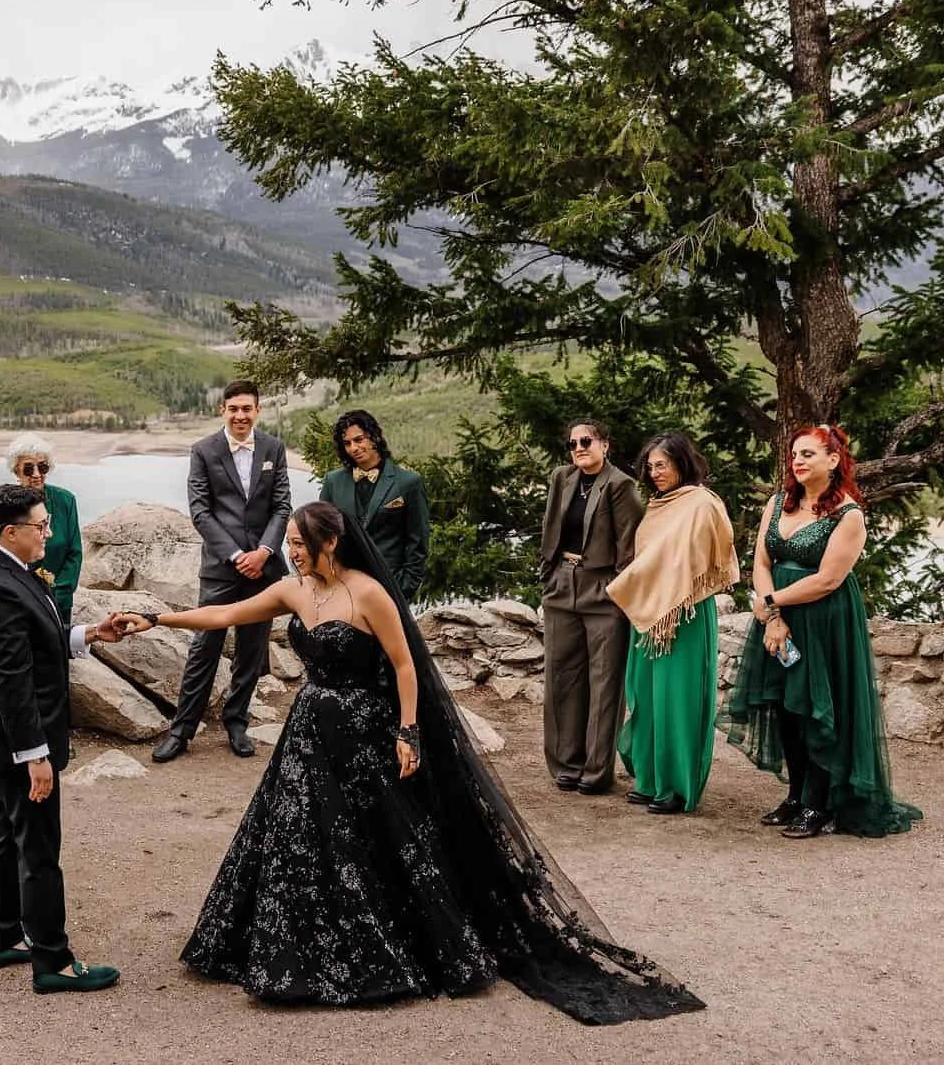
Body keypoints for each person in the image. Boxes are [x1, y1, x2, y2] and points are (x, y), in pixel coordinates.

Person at [112, 503, 702, 1022]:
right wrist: (157, 619)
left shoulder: (368, 593)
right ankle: (285, 952)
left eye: (297, 543)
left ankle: (385, 952)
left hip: (365, 733)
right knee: (293, 835)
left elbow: (404, 666)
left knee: (373, 842)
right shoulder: (295, 590)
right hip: (309, 731)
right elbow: (226, 615)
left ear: (329, 542)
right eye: (288, 543)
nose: (290, 552)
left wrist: (408, 731)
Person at [0, 483, 133, 994]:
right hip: (14, 734)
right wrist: (34, 755)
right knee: (38, 845)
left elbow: (36, 636)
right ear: (11, 532)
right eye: (41, 525)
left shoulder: (1, 568)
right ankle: (53, 962)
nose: (49, 532)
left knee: (7, 831)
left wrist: (88, 634)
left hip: (0, 732)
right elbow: (12, 680)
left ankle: (4, 937)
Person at [724, 424, 922, 839]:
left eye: (808, 454)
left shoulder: (848, 515)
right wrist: (771, 616)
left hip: (823, 621)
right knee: (784, 706)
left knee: (813, 707)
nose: (797, 461)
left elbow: (828, 579)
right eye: (795, 454)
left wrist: (773, 604)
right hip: (778, 619)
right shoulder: (778, 503)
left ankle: (820, 804)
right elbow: (760, 564)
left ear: (833, 461)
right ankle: (796, 795)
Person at [153, 379, 292, 763]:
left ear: (257, 411)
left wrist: (264, 552)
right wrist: (235, 555)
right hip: (220, 567)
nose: (241, 415)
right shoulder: (203, 451)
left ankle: (237, 722)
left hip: (263, 570)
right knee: (204, 647)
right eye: (234, 409)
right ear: (223, 411)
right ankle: (181, 730)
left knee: (251, 649)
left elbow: (282, 507)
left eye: (247, 409)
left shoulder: (273, 449)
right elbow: (200, 511)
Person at [607, 433, 736, 815]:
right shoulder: (657, 506)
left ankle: (677, 787)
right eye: (649, 466)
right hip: (650, 616)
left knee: (678, 701)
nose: (654, 473)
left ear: (682, 462)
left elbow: (705, 554)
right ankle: (649, 780)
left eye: (661, 465)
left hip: (686, 614)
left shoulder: (702, 503)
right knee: (645, 697)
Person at [536, 417, 641, 794]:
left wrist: (617, 589)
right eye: (573, 443)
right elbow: (551, 525)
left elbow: (629, 545)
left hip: (603, 589)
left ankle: (596, 772)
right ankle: (566, 763)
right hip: (563, 582)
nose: (579, 448)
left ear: (605, 445)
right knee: (562, 677)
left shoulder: (620, 485)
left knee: (604, 681)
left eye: (587, 441)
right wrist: (549, 573)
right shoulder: (561, 478)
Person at [316, 409, 432, 607]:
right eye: (347, 443)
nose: (354, 448)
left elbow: (417, 542)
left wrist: (404, 588)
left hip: (391, 586)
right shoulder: (333, 482)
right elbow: (321, 534)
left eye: (359, 439)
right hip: (344, 587)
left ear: (375, 437)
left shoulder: (408, 482)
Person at [4, 432, 81, 617]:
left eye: (43, 467)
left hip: (59, 601)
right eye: (29, 469)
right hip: (21, 601)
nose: (37, 475)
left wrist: (58, 591)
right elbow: (4, 556)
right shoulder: (5, 504)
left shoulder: (66, 500)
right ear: (17, 471)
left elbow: (74, 552)